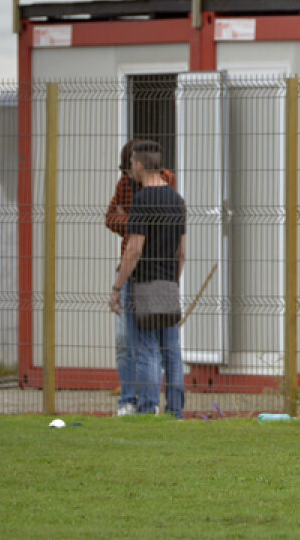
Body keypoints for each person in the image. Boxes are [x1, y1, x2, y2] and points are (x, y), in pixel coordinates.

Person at [109, 140, 185, 418]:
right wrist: (173, 282)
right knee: (171, 349)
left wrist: (118, 286)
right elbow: (182, 252)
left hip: (141, 284)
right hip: (167, 283)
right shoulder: (177, 201)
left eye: (131, 164)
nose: (130, 169)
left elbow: (135, 249)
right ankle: (176, 410)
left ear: (139, 164)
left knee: (145, 349)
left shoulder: (141, 201)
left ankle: (147, 406)